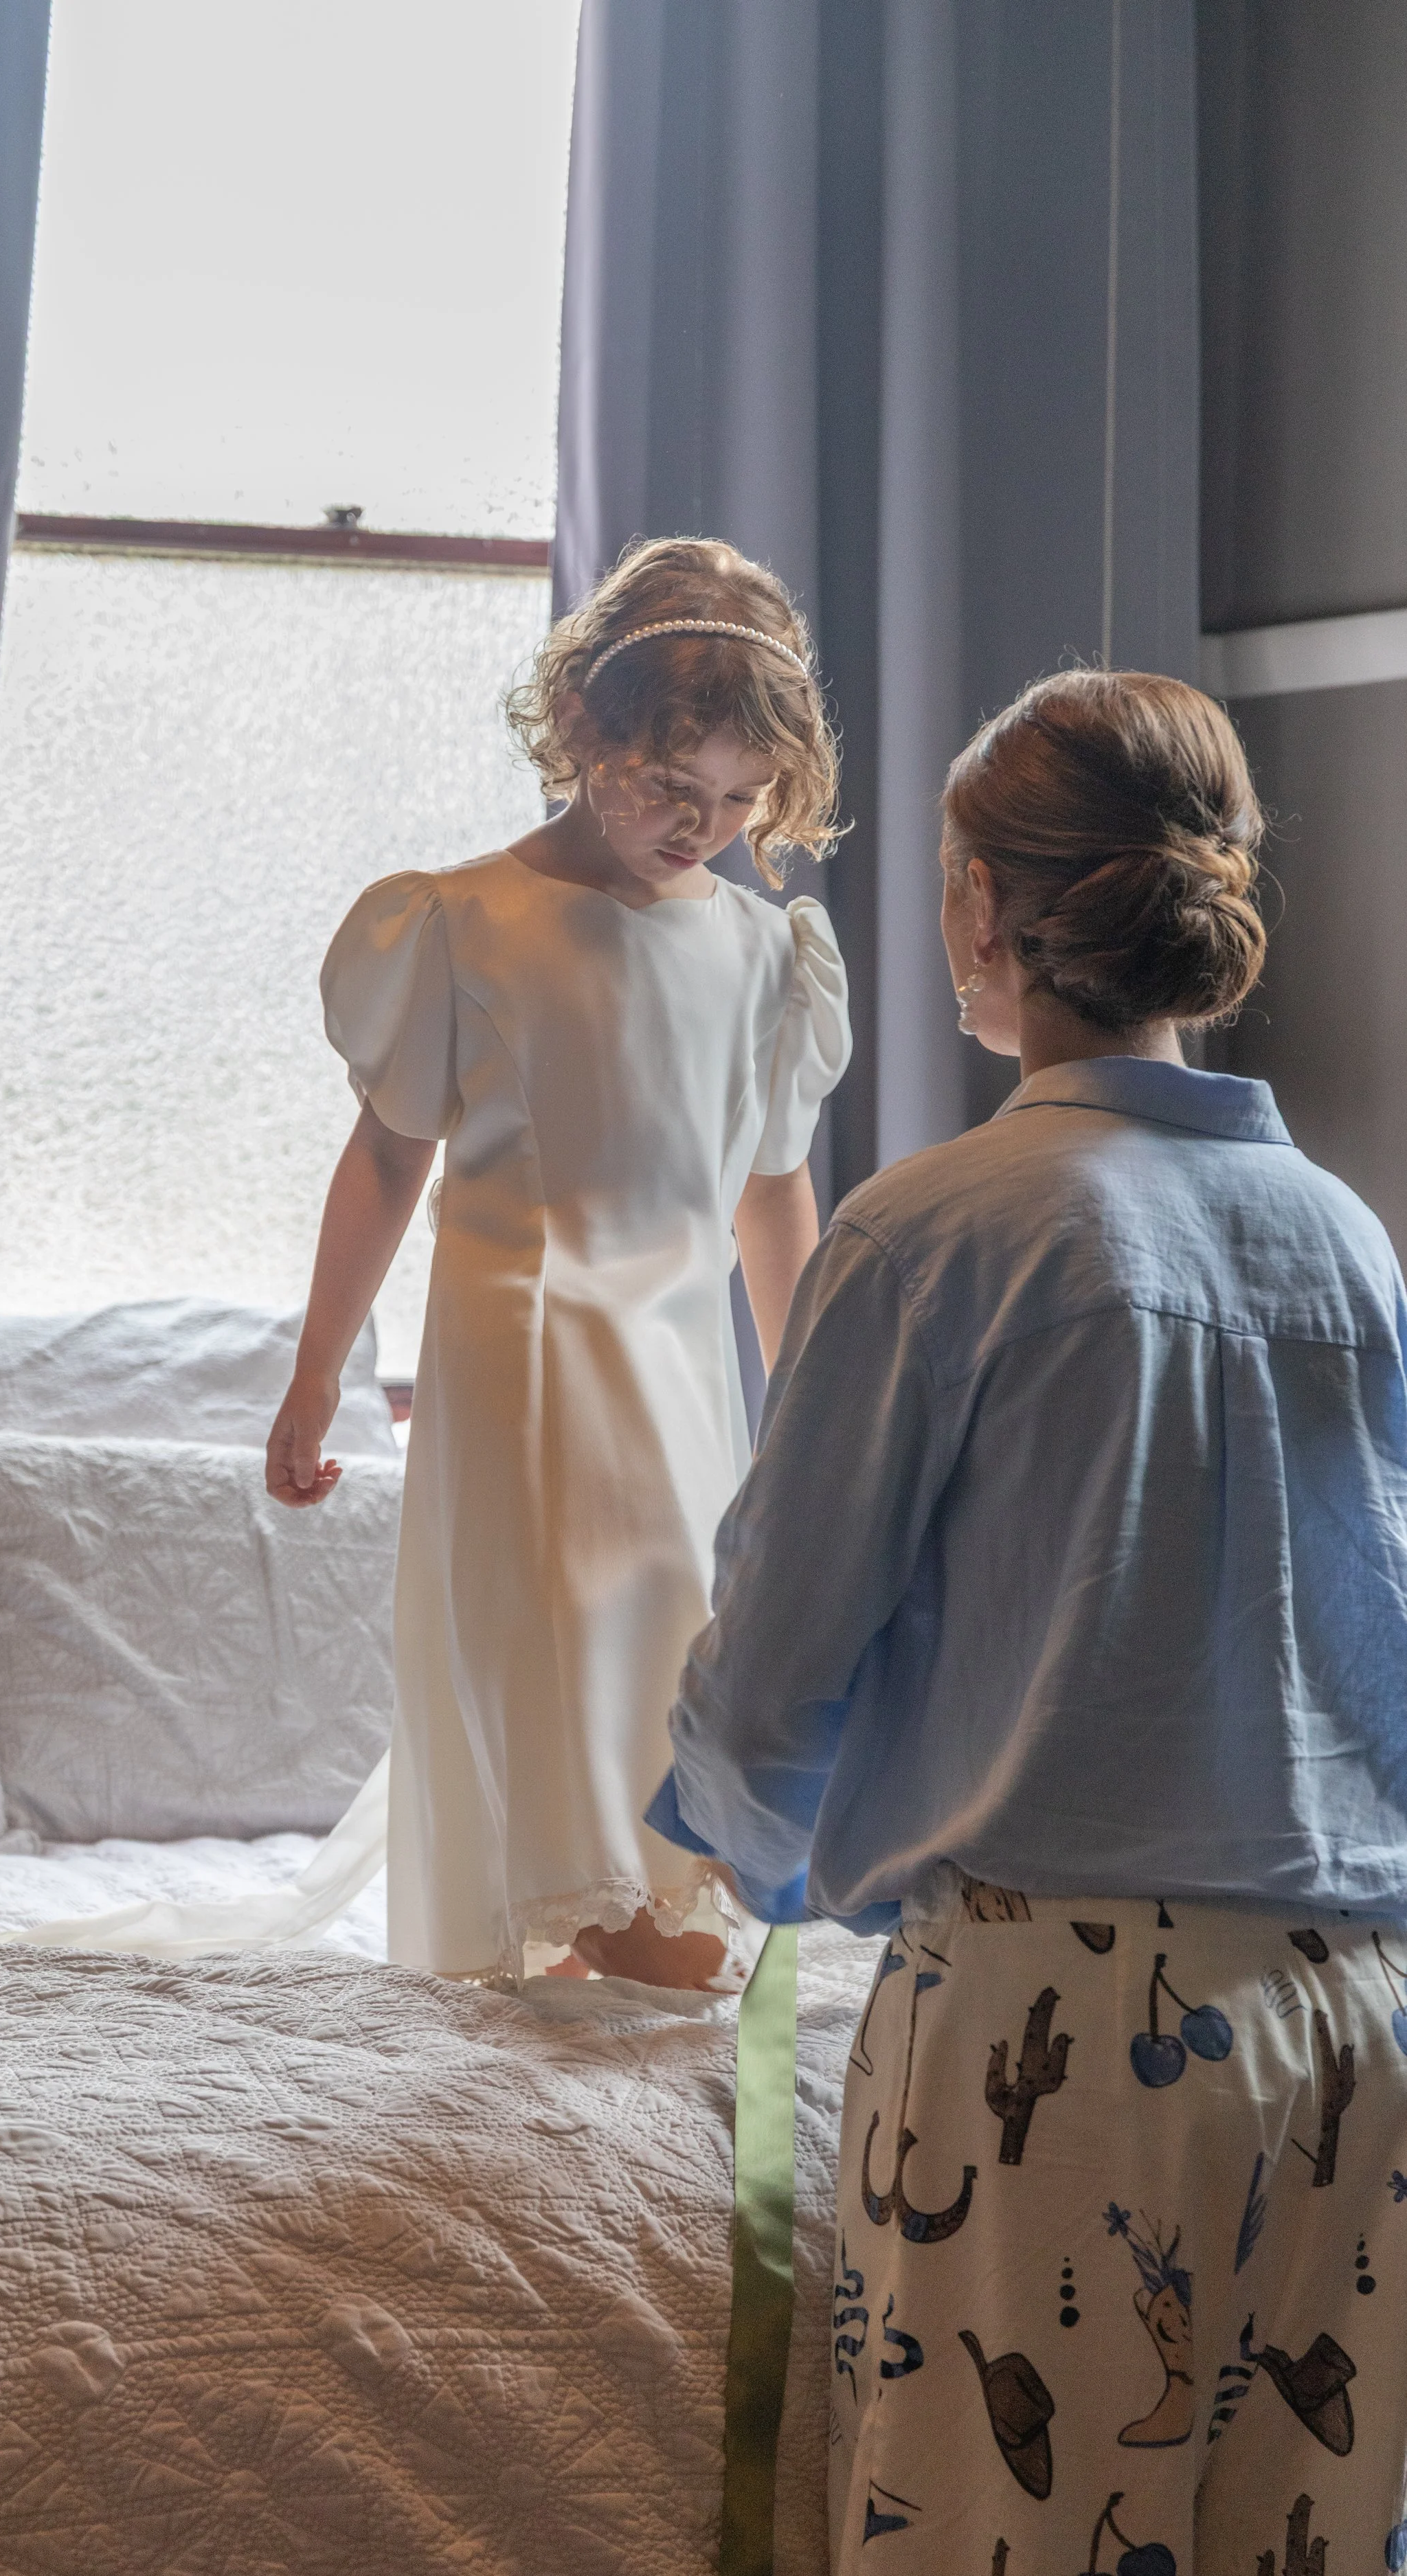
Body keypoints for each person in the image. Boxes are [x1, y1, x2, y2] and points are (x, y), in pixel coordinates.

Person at [649, 668, 1407, 2564]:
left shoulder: (933, 1231)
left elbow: (767, 1676)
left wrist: (746, 1854)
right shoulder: (1342, 1231)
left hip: (1061, 2025)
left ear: (982, 907)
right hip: (1360, 2020)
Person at [264, 538, 852, 1990]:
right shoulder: (463, 921)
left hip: (677, 1368)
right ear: (585, 731)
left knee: (672, 1651)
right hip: (521, 1357)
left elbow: (770, 1198)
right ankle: (591, 1958)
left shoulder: (763, 952)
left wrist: (820, 1412)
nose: (699, 829)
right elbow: (390, 1157)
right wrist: (315, 1370)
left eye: (735, 803)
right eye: (669, 789)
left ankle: (622, 1977)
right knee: (558, 1658)